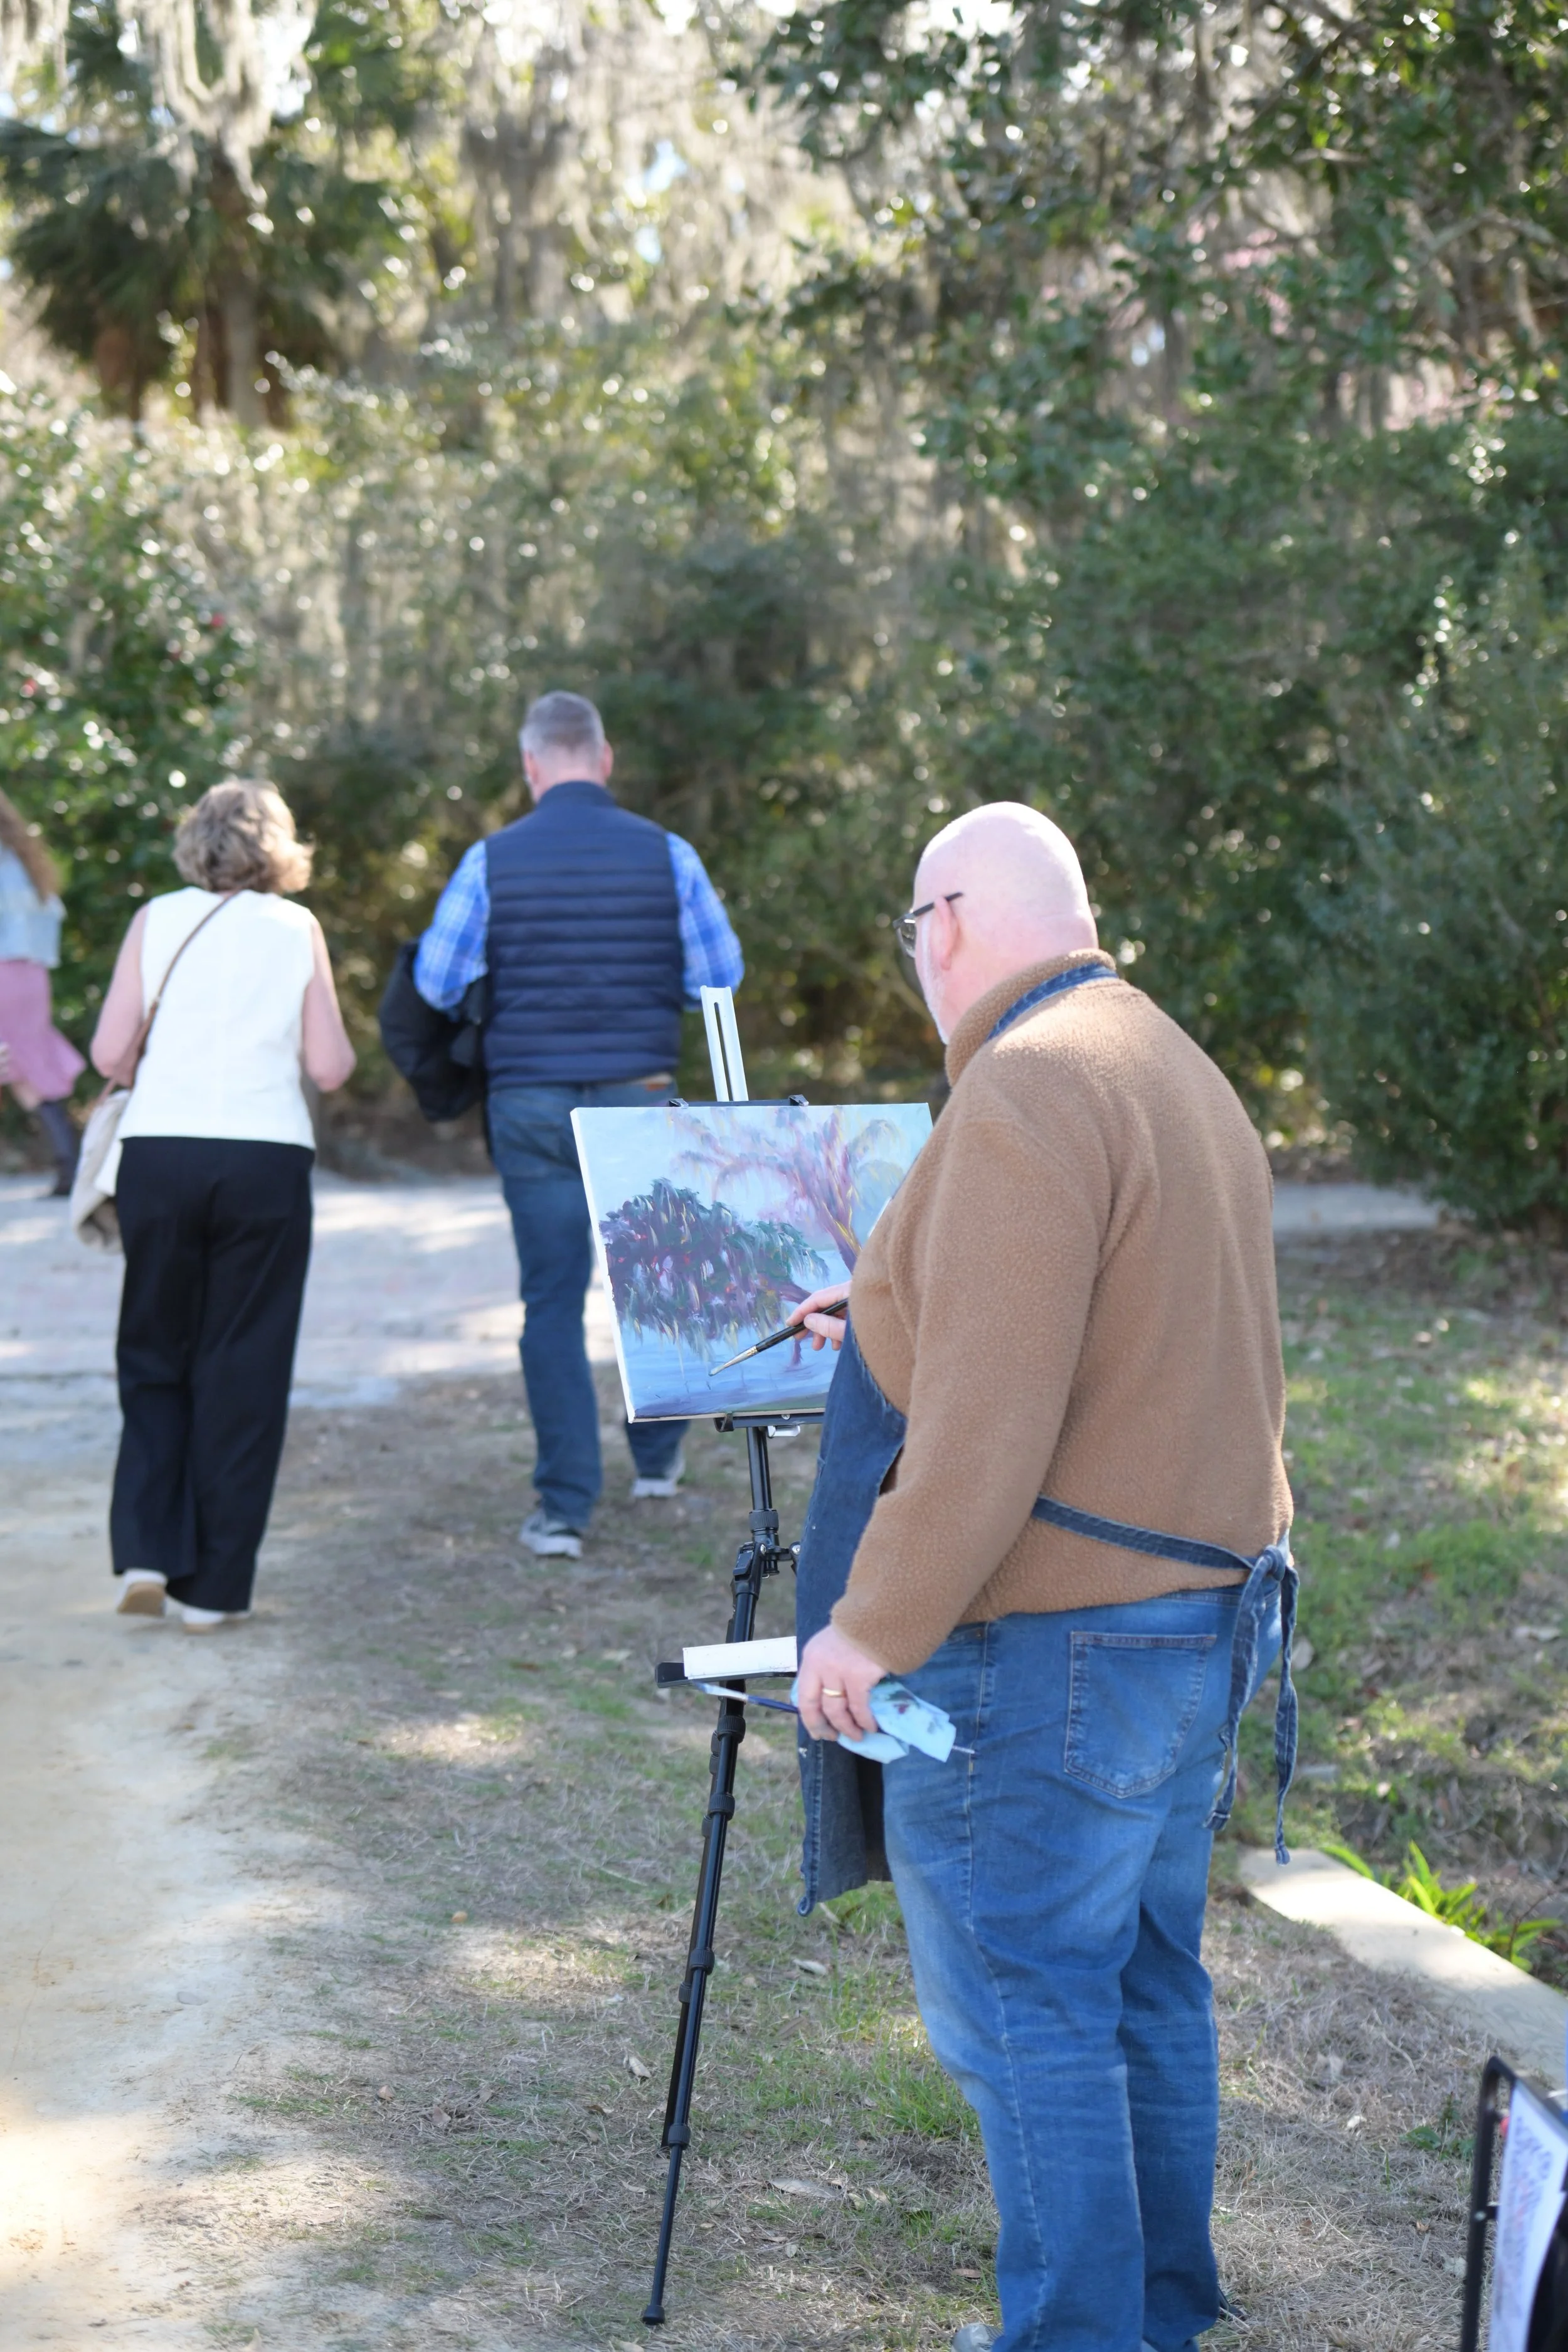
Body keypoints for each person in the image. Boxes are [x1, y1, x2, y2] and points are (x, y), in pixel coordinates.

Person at [787, 802, 1295, 2352]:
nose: (916, 961)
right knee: (1138, 1984)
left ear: (947, 920)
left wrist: (869, 1626)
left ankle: (1080, 2334)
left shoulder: (1021, 1089)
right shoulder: (1163, 1057)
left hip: (1055, 1646)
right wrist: (886, 1312)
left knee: (1029, 2004)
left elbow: (995, 1420)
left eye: (911, 932)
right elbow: (1108, 1343)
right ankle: (1154, 2312)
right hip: (1194, 1625)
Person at [415, 689, 743, 1559]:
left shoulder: (491, 859)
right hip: (639, 1093)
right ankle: (657, 1461)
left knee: (552, 1299)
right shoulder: (668, 854)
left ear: (530, 767)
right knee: (657, 1285)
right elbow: (719, 975)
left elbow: (437, 980)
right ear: (605, 758)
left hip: (529, 1101)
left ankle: (563, 1506)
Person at [90, 780, 356, 1630]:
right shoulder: (296, 928)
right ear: (279, 847)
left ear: (194, 841)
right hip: (264, 1158)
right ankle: (213, 1592)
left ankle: (145, 1549)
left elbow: (108, 1051)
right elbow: (329, 1066)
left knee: (154, 1352)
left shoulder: (157, 918)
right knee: (244, 1365)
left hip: (161, 1153)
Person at [0, 788, 85, 1195]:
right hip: (32, 976)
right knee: (28, 1072)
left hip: (3, 972)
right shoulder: (24, 863)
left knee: (20, 1070)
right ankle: (71, 1167)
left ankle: (71, 1168)